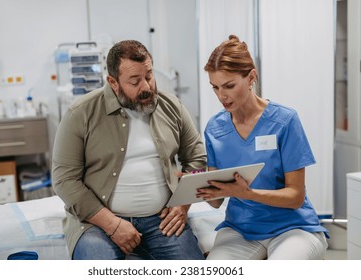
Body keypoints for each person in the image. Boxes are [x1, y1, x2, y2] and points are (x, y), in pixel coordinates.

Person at [51, 40, 206, 260]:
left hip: (162, 222)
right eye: (135, 81)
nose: (146, 87)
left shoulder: (172, 107)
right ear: (113, 82)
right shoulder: (81, 114)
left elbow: (197, 160)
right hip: (98, 224)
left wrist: (182, 205)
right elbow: (64, 180)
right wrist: (112, 224)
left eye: (149, 76)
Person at [196, 35, 328, 260]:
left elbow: (295, 196)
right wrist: (196, 184)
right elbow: (216, 201)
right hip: (240, 229)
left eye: (229, 86)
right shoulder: (215, 128)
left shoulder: (285, 121)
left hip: (292, 228)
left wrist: (248, 194)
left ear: (251, 78)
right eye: (215, 87)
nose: (221, 96)